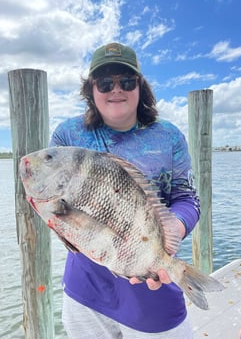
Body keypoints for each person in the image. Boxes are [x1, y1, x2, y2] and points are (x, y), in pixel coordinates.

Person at [50, 42, 200, 339]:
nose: (115, 89)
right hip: (85, 291)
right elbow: (57, 206)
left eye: (126, 81)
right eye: (104, 82)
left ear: (140, 87)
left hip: (151, 287)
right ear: (91, 90)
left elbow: (187, 198)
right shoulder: (67, 136)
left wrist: (174, 229)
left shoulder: (168, 136)